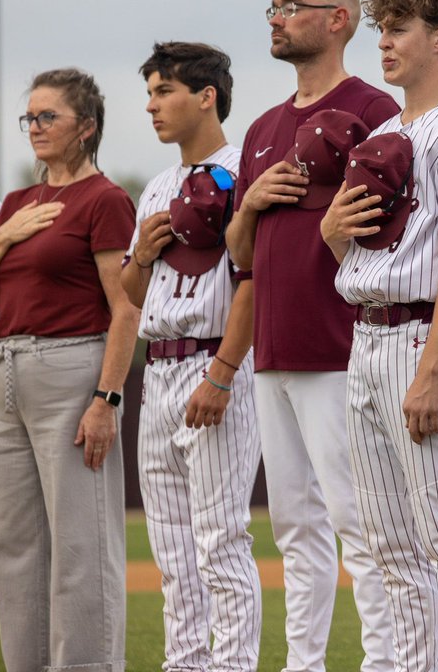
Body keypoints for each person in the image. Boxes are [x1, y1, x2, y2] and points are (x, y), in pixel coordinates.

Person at [320, 0, 438, 672]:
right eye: (382, 30)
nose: (385, 43)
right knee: (389, 543)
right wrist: (332, 226)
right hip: (368, 332)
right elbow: (352, 251)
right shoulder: (393, 127)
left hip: (428, 337)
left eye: (399, 29)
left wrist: (431, 373)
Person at [223, 0, 398, 672]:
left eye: (291, 8)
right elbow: (240, 256)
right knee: (294, 526)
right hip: (274, 351)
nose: (275, 18)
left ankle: (386, 661)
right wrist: (252, 202)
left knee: (360, 523)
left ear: (339, 21)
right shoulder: (263, 128)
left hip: (342, 348)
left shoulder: (374, 107)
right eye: (273, 7)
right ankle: (304, 664)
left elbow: (394, 227)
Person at [0, 68, 137, 671]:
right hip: (7, 372)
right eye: (28, 117)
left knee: (81, 543)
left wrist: (106, 399)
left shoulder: (105, 200)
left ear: (86, 127)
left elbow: (125, 306)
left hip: (72, 371)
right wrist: (2, 236)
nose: (34, 128)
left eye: (47, 117)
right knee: (16, 547)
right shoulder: (17, 204)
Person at [120, 42, 262, 671]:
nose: (151, 106)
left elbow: (256, 284)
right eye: (149, 92)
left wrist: (222, 375)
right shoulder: (156, 187)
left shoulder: (247, 170)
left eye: (164, 91)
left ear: (207, 95)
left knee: (220, 543)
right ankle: (184, 664)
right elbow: (128, 294)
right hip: (159, 369)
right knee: (172, 552)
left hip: (214, 363)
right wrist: (143, 256)